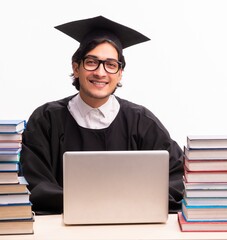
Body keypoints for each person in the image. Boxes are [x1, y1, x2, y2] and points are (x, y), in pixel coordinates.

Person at [20, 16, 184, 215]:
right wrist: (96, 205)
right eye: (91, 62)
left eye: (111, 65)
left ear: (120, 73)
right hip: (62, 228)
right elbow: (34, 183)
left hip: (132, 227)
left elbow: (177, 176)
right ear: (76, 67)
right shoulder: (45, 120)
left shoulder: (142, 122)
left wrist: (132, 204)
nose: (100, 72)